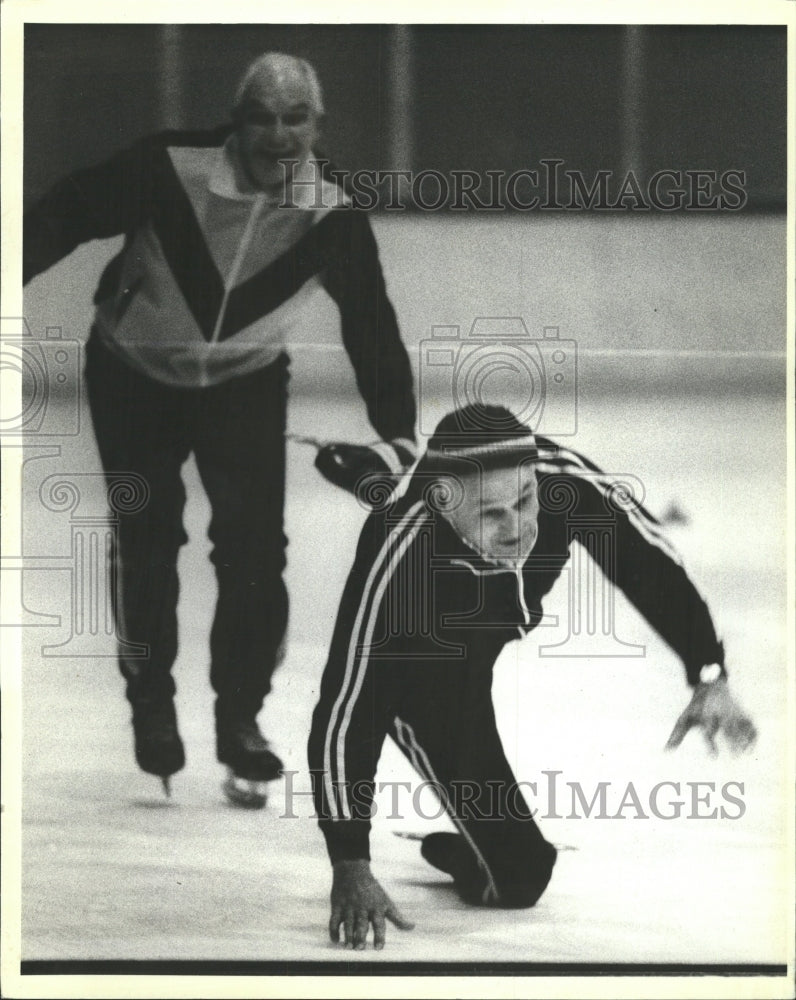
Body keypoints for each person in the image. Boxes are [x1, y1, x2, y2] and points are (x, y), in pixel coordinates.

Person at [23, 53, 417, 802]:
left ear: (317, 127)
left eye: (295, 118)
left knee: (255, 555)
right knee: (147, 539)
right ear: (235, 124)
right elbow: (62, 215)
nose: (278, 134)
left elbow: (372, 324)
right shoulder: (169, 167)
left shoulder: (330, 210)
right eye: (262, 117)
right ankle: (151, 705)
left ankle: (240, 719)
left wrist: (398, 432)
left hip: (243, 382)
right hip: (131, 372)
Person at [307, 403, 757, 949]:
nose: (518, 527)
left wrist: (708, 671)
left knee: (516, 876)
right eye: (492, 514)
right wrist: (350, 861)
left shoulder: (562, 485)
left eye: (524, 501)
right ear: (445, 507)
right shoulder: (399, 553)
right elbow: (345, 708)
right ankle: (382, 475)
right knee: (520, 876)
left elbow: (648, 563)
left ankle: (382, 469)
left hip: (479, 632)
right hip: (430, 677)